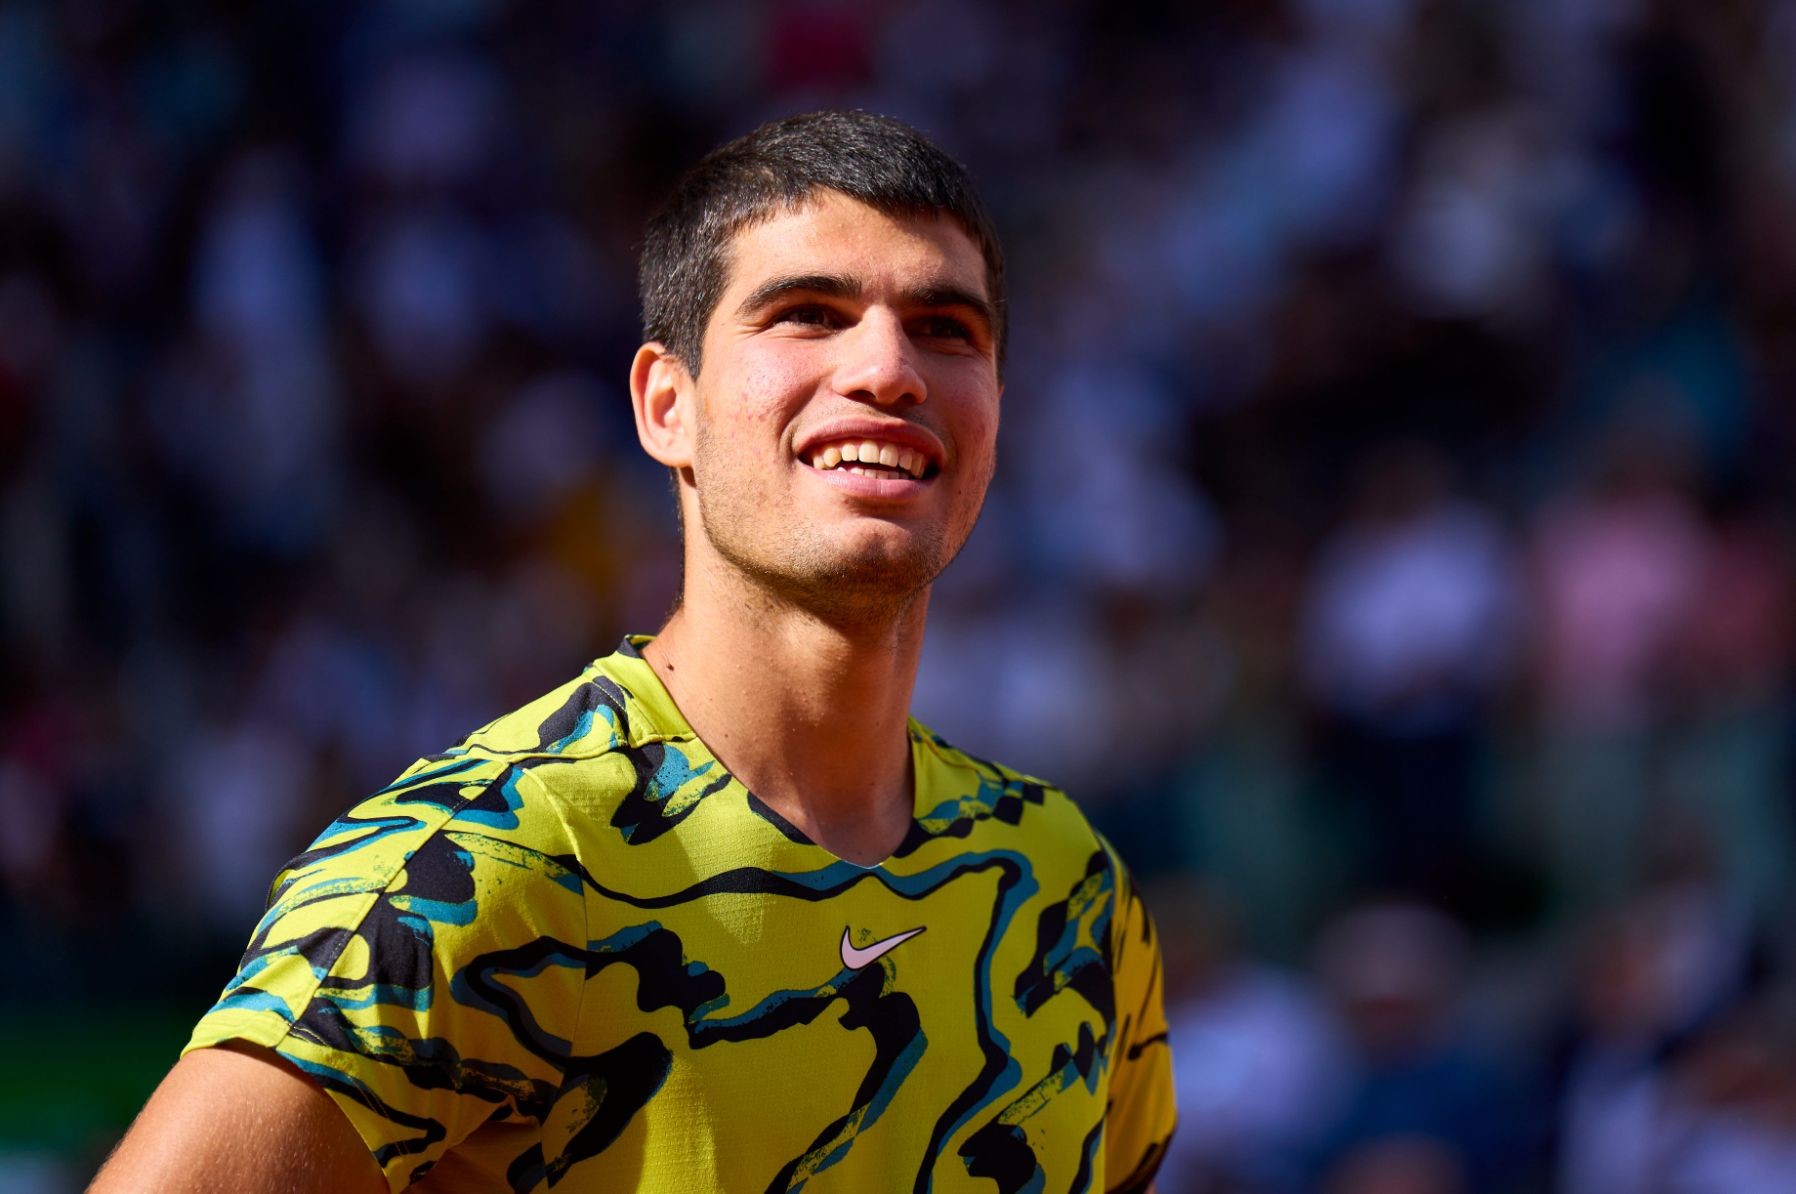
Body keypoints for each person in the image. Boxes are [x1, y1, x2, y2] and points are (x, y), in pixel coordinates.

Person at [93, 110, 1176, 1193]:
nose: (889, 368)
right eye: (808, 314)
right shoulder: (476, 867)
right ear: (668, 406)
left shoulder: (1068, 888)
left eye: (947, 328)